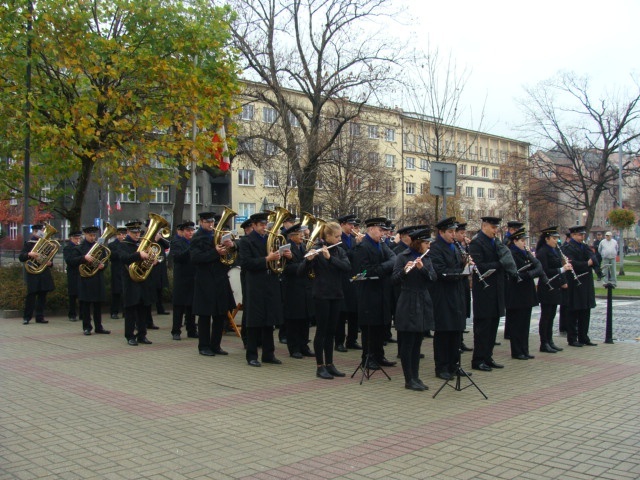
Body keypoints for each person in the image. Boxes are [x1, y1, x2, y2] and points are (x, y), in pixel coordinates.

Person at [238, 212, 292, 367]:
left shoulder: (273, 239)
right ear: (253, 225)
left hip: (271, 282)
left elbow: (279, 263)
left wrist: (286, 256)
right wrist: (266, 259)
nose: (265, 227)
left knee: (270, 320)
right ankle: (252, 355)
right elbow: (246, 263)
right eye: (261, 225)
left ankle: (269, 354)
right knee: (255, 321)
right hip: (255, 283)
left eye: (265, 224)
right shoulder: (246, 241)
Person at [299, 222, 351, 379]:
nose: (339, 238)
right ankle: (320, 366)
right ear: (327, 236)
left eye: (340, 236)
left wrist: (330, 259)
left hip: (336, 294)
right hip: (321, 295)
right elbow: (300, 271)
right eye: (336, 236)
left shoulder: (339, 250)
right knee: (321, 331)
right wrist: (309, 260)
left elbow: (347, 267)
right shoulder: (316, 248)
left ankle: (330, 364)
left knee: (331, 331)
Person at [392, 228, 436, 391]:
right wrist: (405, 271)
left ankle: (416, 377)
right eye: (426, 243)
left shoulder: (427, 258)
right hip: (408, 300)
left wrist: (422, 268)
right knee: (408, 342)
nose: (428, 245)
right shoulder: (402, 257)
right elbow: (394, 280)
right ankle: (408, 378)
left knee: (418, 342)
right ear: (418, 243)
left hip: (423, 300)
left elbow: (433, 278)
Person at [469, 216, 514, 372]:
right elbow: (479, 266)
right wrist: (500, 264)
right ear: (485, 226)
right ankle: (478, 359)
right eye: (493, 228)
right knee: (483, 327)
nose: (496, 231)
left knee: (493, 325)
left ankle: (488, 357)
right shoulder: (476, 242)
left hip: (496, 289)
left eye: (496, 228)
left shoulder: (495, 242)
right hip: (484, 291)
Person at [351, 217, 397, 370]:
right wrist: (387, 266)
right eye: (380, 230)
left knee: (381, 325)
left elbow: (394, 257)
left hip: (382, 291)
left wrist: (386, 265)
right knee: (370, 327)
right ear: (370, 229)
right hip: (369, 292)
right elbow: (364, 271)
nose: (383, 233)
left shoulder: (381, 245)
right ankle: (368, 357)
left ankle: (379, 355)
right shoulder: (363, 247)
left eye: (384, 230)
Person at [191, 212, 236, 356]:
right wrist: (215, 252)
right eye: (207, 222)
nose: (211, 225)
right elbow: (196, 258)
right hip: (205, 280)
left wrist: (230, 247)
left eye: (212, 222)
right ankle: (203, 346)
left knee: (220, 314)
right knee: (205, 315)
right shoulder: (197, 238)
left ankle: (216, 345)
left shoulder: (216, 236)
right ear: (201, 222)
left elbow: (229, 257)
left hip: (220, 279)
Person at [430, 218, 468, 380]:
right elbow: (440, 270)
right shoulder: (436, 248)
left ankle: (454, 364)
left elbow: (459, 266)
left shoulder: (455, 246)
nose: (454, 234)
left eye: (454, 231)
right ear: (441, 232)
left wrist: (467, 265)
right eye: (450, 232)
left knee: (456, 331)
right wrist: (460, 272)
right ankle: (442, 367)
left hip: (456, 293)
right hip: (443, 295)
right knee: (444, 332)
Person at [504, 228, 543, 360]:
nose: (524, 243)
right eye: (521, 241)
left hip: (527, 291)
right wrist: (529, 273)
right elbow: (515, 274)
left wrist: (529, 273)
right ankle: (517, 351)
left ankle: (524, 349)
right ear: (515, 241)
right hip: (516, 293)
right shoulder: (512, 253)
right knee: (517, 324)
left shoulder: (526, 253)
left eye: (524, 241)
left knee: (525, 323)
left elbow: (538, 266)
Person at [66, 226, 111, 336]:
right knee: (85, 305)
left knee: (97, 305)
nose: (92, 237)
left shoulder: (100, 248)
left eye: (94, 235)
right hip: (85, 279)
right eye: (90, 235)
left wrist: (103, 265)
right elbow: (71, 261)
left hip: (97, 279)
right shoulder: (79, 248)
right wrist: (84, 258)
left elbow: (105, 261)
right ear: (85, 235)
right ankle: (87, 327)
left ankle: (99, 327)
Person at [281, 223, 315, 359]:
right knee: (294, 320)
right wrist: (305, 262)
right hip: (293, 289)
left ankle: (304, 345)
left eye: (302, 233)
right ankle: (294, 347)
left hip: (305, 288)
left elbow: (306, 265)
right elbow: (288, 269)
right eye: (299, 234)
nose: (303, 235)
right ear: (292, 235)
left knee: (304, 320)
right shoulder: (286, 248)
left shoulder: (303, 247)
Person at [561, 225, 597, 347]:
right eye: (580, 235)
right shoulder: (567, 247)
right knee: (573, 310)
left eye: (583, 235)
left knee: (585, 310)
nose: (582, 237)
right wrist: (587, 263)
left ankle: (584, 336)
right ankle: (572, 338)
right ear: (573, 235)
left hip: (586, 281)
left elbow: (594, 257)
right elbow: (571, 263)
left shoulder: (584, 246)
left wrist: (592, 259)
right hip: (574, 282)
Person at [120, 220, 155, 346]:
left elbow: (147, 260)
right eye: (134, 232)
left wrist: (151, 261)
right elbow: (124, 258)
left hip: (143, 280)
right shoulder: (123, 245)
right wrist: (138, 254)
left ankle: (142, 334)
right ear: (128, 232)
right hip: (130, 281)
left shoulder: (142, 244)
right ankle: (130, 336)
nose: (137, 235)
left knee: (143, 309)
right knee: (130, 309)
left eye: (138, 232)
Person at [535, 226, 570, 353]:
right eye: (554, 238)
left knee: (551, 315)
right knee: (546, 316)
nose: (556, 241)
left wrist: (563, 278)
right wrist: (562, 269)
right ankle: (544, 343)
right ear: (547, 239)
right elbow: (544, 271)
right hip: (546, 287)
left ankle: (550, 341)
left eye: (557, 238)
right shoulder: (543, 252)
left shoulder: (554, 251)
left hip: (554, 286)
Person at [335, 214, 363, 352]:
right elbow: (346, 256)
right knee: (341, 312)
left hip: (355, 278)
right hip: (342, 279)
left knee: (355, 311)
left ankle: (352, 340)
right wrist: (357, 246)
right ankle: (339, 341)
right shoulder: (338, 240)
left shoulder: (353, 239)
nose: (353, 227)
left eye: (353, 224)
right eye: (350, 224)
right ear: (342, 224)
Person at [19, 224, 55, 325]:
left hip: (43, 273)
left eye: (42, 231)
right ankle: (27, 317)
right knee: (31, 295)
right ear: (34, 232)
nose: (41, 234)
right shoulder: (29, 244)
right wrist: (29, 254)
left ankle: (40, 317)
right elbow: (21, 257)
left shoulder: (47, 244)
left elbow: (50, 259)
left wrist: (50, 263)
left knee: (42, 296)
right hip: (32, 273)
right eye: (38, 232)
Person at [170, 221, 198, 340]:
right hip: (181, 278)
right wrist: (190, 248)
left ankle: (191, 330)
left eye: (192, 230)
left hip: (193, 277)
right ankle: (176, 331)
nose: (190, 233)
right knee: (179, 306)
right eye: (188, 230)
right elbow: (178, 257)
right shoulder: (177, 242)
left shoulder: (195, 242)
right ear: (183, 231)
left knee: (191, 306)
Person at [453, 222, 473, 352]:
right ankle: (458, 342)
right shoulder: (456, 246)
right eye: (461, 233)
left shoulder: (462, 246)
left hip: (464, 281)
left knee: (464, 308)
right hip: (458, 280)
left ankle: (460, 340)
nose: (463, 235)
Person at [63, 230, 83, 322]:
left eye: (79, 238)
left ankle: (82, 314)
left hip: (81, 272)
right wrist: (81, 259)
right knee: (72, 295)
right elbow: (69, 261)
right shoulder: (68, 248)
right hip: (72, 273)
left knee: (82, 294)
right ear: (71, 238)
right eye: (76, 238)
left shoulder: (81, 247)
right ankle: (72, 314)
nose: (77, 240)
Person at [108, 227, 127, 319]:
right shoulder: (112, 245)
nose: (122, 236)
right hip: (116, 270)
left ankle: (125, 311)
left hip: (125, 270)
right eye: (120, 234)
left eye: (123, 234)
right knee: (116, 292)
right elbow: (112, 256)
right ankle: (114, 312)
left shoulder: (127, 244)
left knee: (125, 292)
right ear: (116, 235)